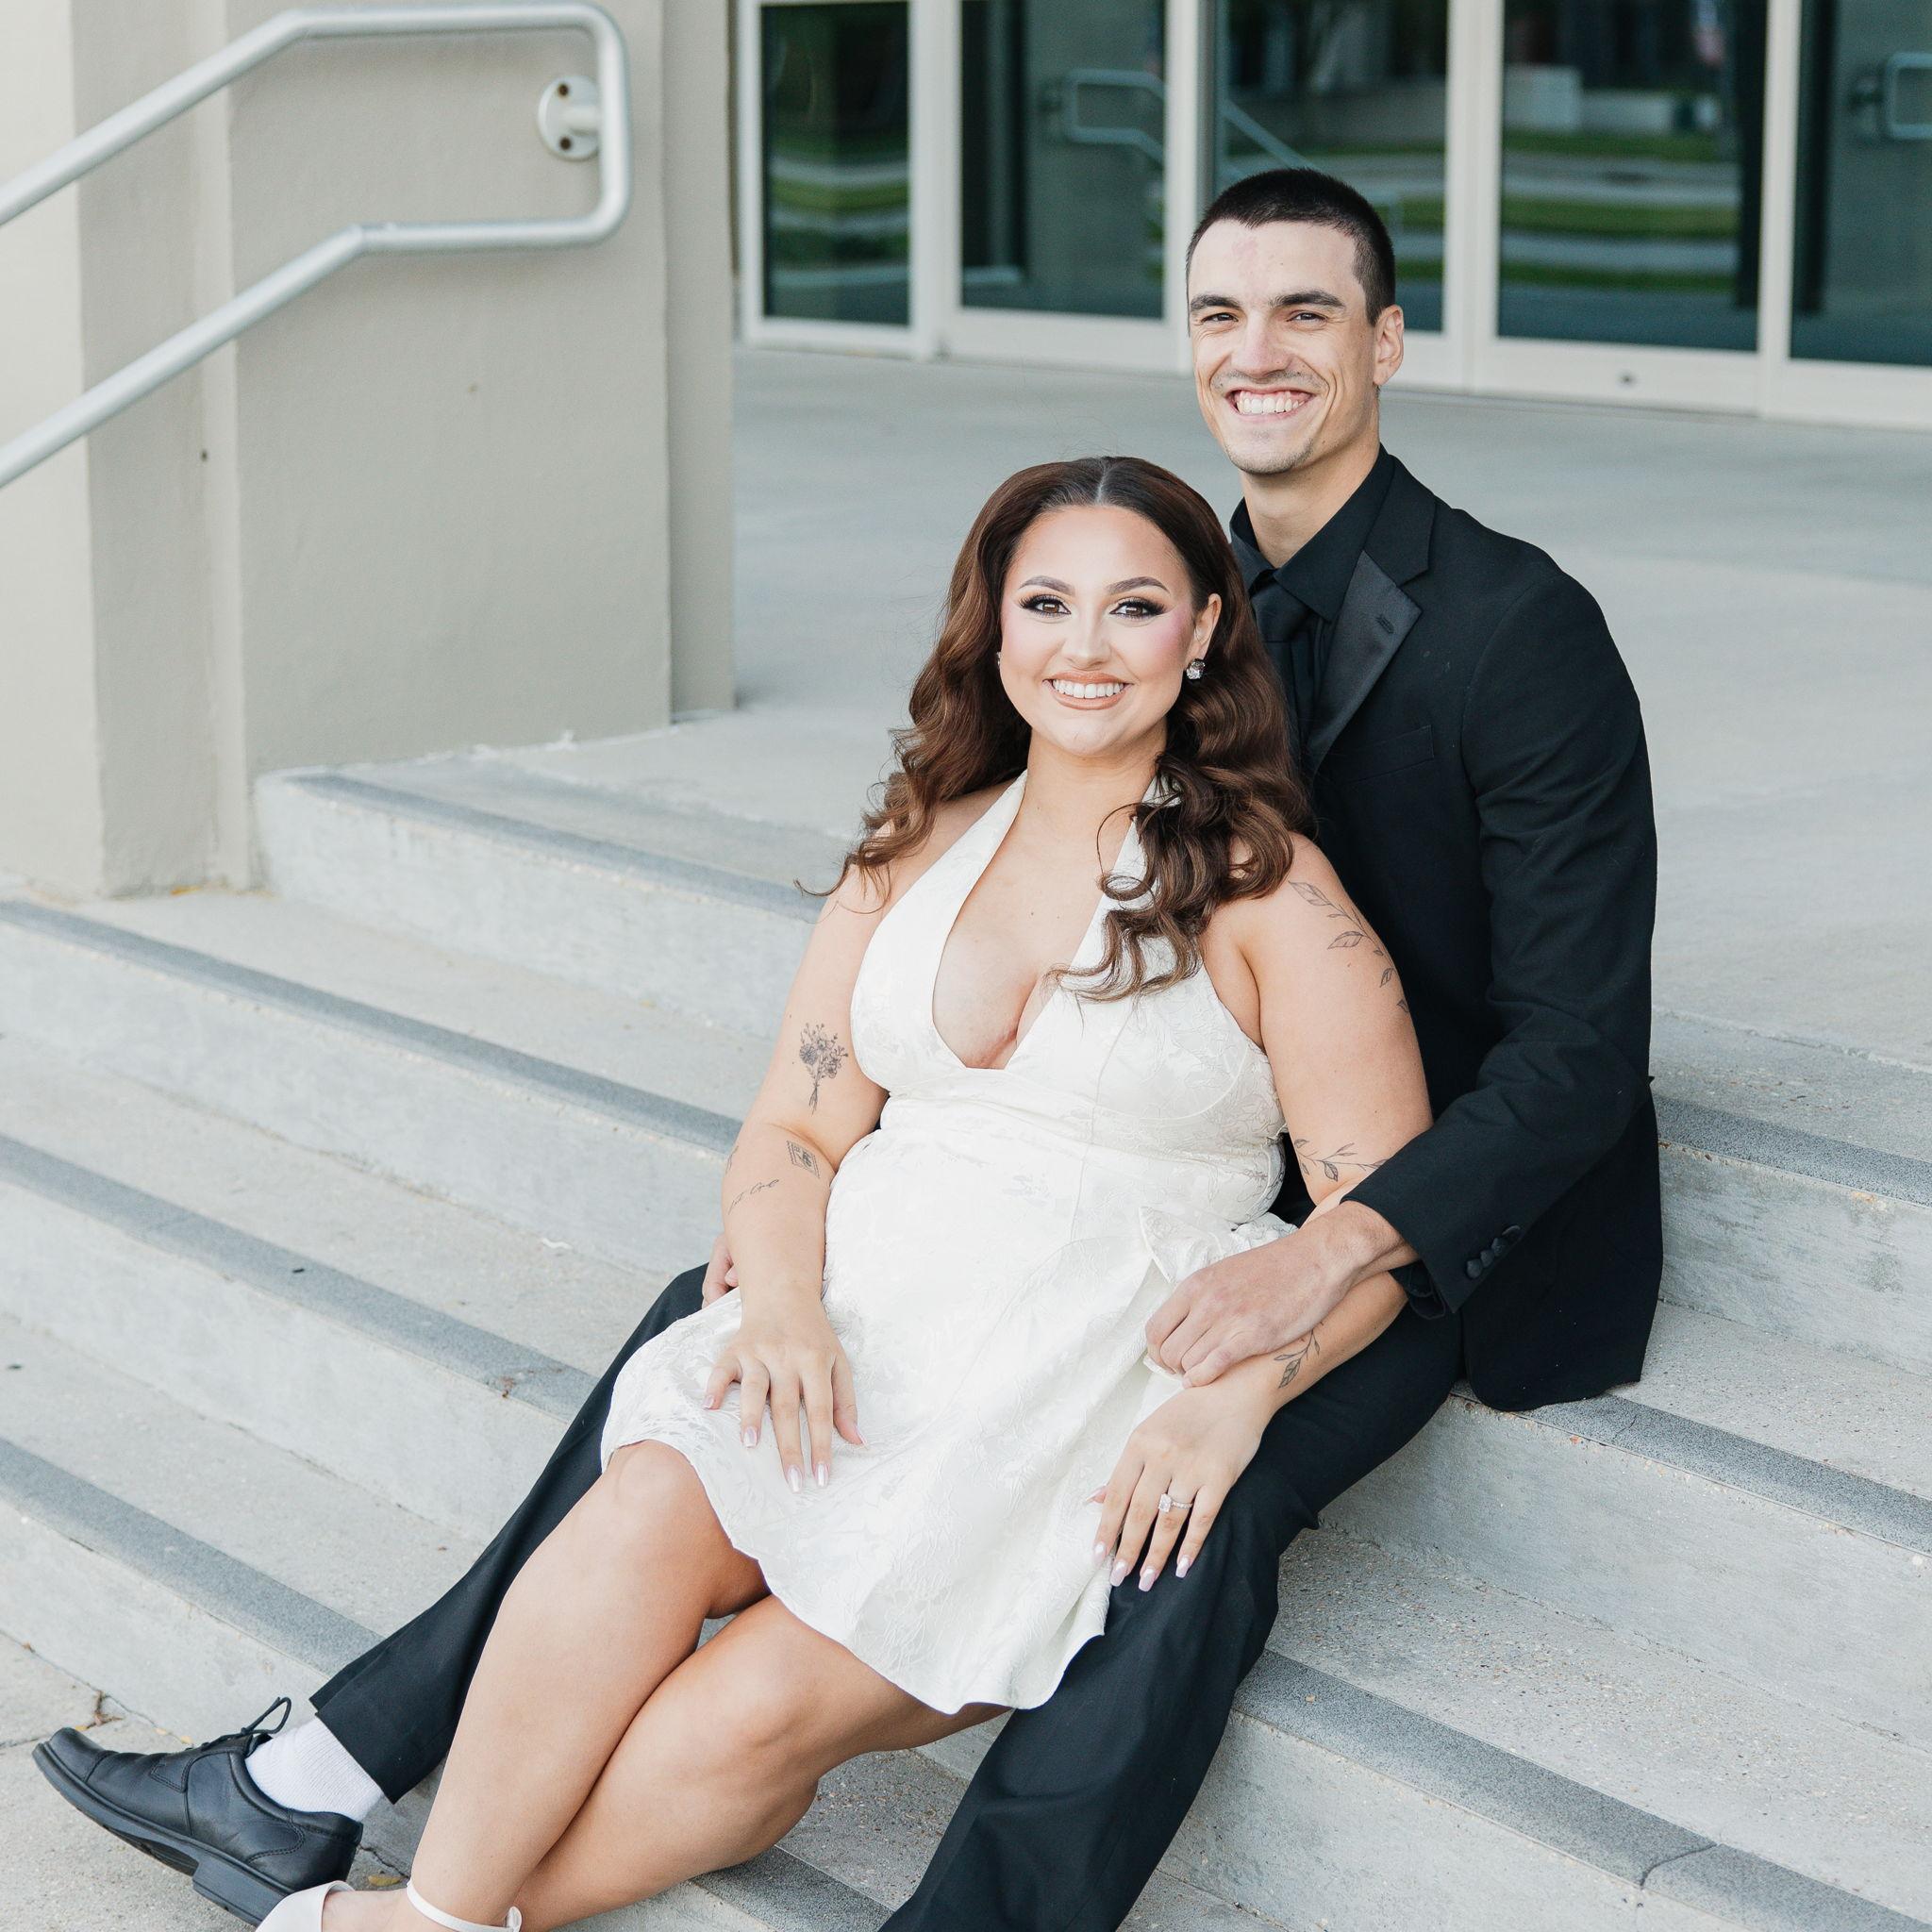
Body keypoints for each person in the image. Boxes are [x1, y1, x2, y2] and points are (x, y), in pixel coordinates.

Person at [37, 166, 1661, 1932]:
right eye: (1221, 312)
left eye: (1308, 313)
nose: (1257, 350)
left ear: (1388, 342)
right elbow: (805, 1122)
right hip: (1125, 1153)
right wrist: (791, 1268)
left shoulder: (1514, 634)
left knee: (1182, 1526)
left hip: (1426, 1206)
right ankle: (335, 1775)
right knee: (714, 1330)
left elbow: (1573, 1060)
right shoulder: (1166, 588)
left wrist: (1306, 1281)